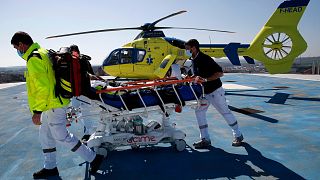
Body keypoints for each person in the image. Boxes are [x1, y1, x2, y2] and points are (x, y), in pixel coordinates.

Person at [11, 31, 103, 179]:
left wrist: (37, 111)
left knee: (61, 136)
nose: (17, 51)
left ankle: (93, 158)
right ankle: (50, 167)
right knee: (45, 135)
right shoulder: (43, 52)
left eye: (16, 47)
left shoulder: (34, 58)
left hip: (52, 104)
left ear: (22, 44)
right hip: (51, 103)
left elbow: (43, 88)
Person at [184, 39, 244, 149]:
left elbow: (220, 73)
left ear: (194, 48)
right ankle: (205, 139)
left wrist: (206, 80)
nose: (186, 50)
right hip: (204, 93)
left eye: (188, 48)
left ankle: (238, 135)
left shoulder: (205, 58)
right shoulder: (193, 60)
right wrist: (193, 78)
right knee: (199, 112)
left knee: (225, 112)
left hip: (215, 91)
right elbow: (199, 74)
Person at [69, 45, 96, 141]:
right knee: (86, 112)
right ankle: (88, 131)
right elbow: (92, 74)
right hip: (85, 92)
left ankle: (88, 131)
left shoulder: (69, 62)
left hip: (75, 93)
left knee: (76, 111)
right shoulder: (84, 60)